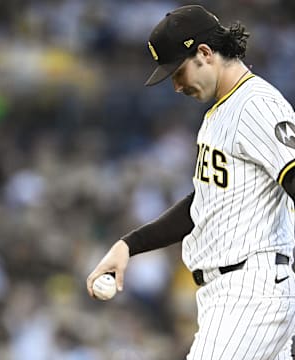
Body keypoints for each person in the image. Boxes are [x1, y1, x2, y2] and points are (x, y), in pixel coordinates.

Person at [86, 5, 295, 359]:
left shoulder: (256, 106)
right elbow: (203, 206)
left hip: (252, 293)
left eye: (177, 71)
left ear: (204, 53)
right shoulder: (221, 113)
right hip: (233, 294)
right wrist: (129, 245)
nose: (176, 85)